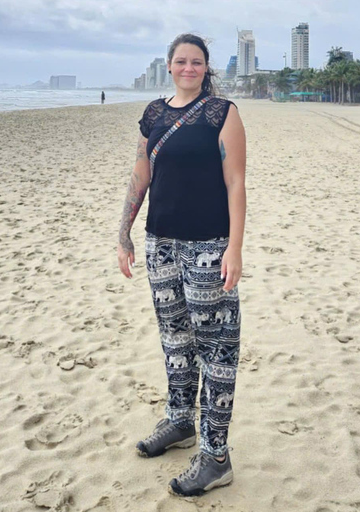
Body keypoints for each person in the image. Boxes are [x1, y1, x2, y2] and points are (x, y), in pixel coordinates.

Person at [117, 33, 246, 497]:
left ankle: (215, 456)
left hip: (209, 244)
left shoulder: (222, 113)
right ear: (169, 66)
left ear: (206, 68)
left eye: (197, 62)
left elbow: (236, 184)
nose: (189, 68)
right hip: (161, 245)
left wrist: (235, 248)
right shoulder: (153, 114)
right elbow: (141, 173)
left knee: (217, 348)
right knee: (174, 339)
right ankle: (179, 423)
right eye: (181, 61)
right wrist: (123, 233)